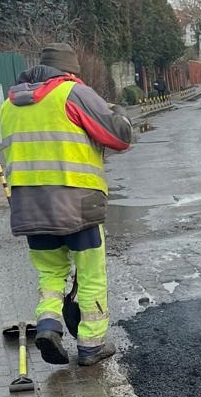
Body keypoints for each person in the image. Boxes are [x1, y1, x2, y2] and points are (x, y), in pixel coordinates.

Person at [0, 42, 132, 366]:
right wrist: (118, 113)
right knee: (90, 274)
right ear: (70, 72)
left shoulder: (8, 105)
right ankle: (91, 345)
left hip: (29, 208)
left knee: (50, 274)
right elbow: (119, 137)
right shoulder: (73, 94)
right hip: (78, 206)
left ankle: (48, 325)